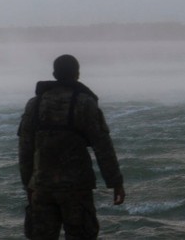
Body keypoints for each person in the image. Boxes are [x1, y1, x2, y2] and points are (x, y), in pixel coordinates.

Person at [18, 54, 125, 239]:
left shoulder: (34, 104)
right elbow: (103, 147)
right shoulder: (85, 103)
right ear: (77, 74)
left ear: (54, 73)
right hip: (76, 189)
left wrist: (28, 184)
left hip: (41, 188)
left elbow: (25, 149)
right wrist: (115, 183)